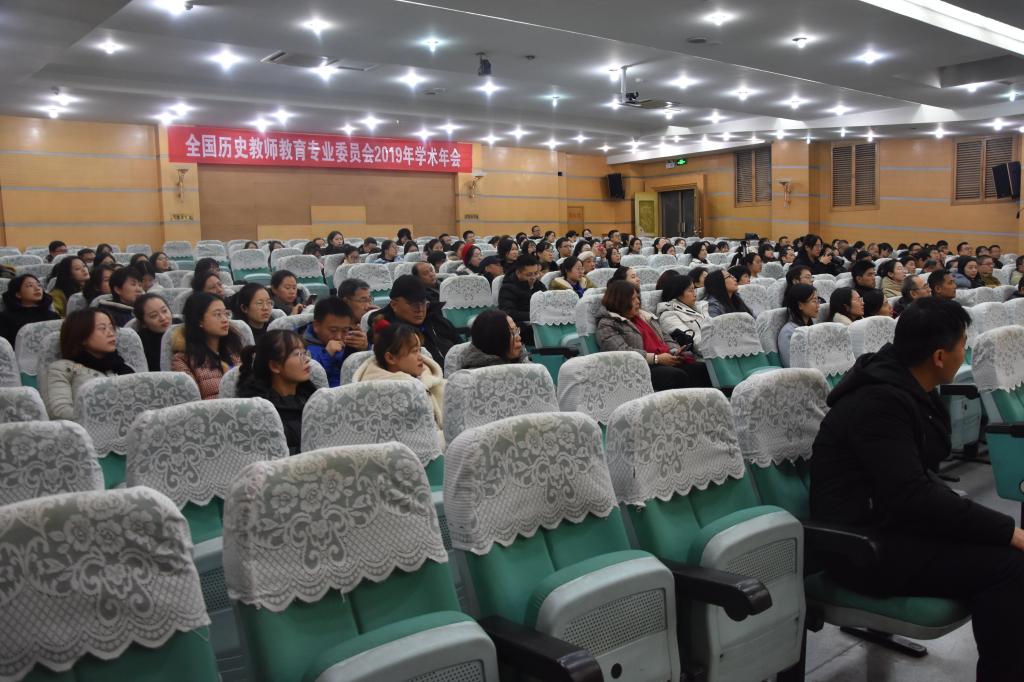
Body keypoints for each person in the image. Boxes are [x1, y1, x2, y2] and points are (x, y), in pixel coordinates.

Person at [810, 297, 1024, 681]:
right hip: (862, 546)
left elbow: (915, 486)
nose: (965, 354)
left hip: (895, 524)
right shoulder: (879, 402)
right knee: (1009, 566)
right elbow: (912, 495)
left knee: (1005, 548)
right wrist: (1008, 531)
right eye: (963, 345)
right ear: (939, 356)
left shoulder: (909, 384)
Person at [596, 280, 710, 390]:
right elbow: (623, 353)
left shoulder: (644, 316)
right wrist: (656, 359)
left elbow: (665, 337)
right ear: (619, 301)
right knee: (676, 376)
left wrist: (674, 351)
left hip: (664, 358)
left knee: (702, 369)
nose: (638, 302)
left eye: (637, 297)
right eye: (632, 299)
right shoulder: (607, 324)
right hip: (641, 367)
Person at [352, 322, 445, 436]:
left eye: (419, 350)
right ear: (391, 358)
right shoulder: (380, 393)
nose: (421, 357)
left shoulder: (431, 380)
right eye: (414, 351)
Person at [40, 309, 134, 420]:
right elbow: (59, 412)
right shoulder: (62, 369)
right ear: (82, 337)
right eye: (102, 328)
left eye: (111, 327)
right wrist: (106, 417)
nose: (111, 333)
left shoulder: (121, 366)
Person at [234, 330, 315, 455]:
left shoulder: (313, 396)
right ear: (275, 366)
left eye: (305, 353)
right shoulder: (257, 410)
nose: (307, 359)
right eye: (298, 354)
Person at [369, 275, 458, 364]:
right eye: (412, 304)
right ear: (394, 305)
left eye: (423, 302)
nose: (420, 309)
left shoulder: (437, 320)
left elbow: (460, 348)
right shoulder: (388, 332)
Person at [170, 292, 243, 400]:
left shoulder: (234, 349)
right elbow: (192, 402)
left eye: (226, 313)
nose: (225, 319)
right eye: (217, 314)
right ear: (199, 321)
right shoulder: (182, 360)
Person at [302, 297, 357, 388]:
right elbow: (309, 377)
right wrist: (327, 354)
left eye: (344, 330)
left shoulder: (351, 339)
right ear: (316, 326)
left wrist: (364, 348)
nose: (339, 337)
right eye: (333, 330)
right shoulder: (301, 347)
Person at [656, 274, 711, 356]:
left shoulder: (701, 307)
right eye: (691, 290)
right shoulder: (669, 316)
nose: (695, 294)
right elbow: (693, 342)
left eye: (694, 289)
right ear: (678, 294)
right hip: (701, 355)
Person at [498, 255, 545, 345]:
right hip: (522, 325)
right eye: (529, 275)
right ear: (518, 273)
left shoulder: (538, 284)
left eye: (536, 273)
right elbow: (509, 312)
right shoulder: (507, 288)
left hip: (539, 321)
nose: (533, 277)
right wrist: (534, 316)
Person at [0, 274, 60, 344]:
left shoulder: (53, 316)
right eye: (30, 286)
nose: (37, 288)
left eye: (39, 285)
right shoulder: (5, 317)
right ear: (18, 294)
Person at [460, 310, 531, 369]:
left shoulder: (526, 369)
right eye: (512, 332)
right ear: (494, 339)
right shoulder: (471, 378)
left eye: (516, 331)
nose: (519, 338)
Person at [778, 283, 818, 367]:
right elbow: (791, 365)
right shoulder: (789, 332)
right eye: (814, 301)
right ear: (800, 305)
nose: (818, 305)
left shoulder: (812, 327)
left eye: (818, 301)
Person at [132, 292, 174, 371]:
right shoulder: (141, 343)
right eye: (154, 316)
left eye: (164, 311)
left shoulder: (180, 327)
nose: (163, 318)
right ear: (143, 323)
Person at [337, 279, 374, 349]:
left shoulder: (372, 324)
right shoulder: (336, 330)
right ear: (346, 302)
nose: (368, 306)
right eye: (363, 300)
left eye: (370, 300)